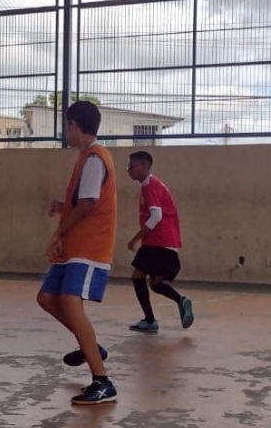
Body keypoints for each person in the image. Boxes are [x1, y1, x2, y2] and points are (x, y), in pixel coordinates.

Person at [36, 101, 117, 405]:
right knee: (47, 298)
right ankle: (92, 346)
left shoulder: (96, 157)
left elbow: (88, 204)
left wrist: (59, 232)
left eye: (66, 124)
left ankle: (102, 381)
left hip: (89, 247)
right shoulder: (85, 158)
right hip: (75, 247)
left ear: (74, 125)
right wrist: (63, 207)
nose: (64, 129)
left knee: (70, 301)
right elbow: (80, 201)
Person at [126, 150, 194, 333]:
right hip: (166, 243)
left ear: (146, 166)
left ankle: (150, 321)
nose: (129, 169)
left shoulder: (150, 186)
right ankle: (181, 301)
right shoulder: (151, 185)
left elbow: (156, 216)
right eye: (128, 166)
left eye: (132, 166)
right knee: (155, 283)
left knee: (138, 276)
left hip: (158, 242)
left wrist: (135, 238)